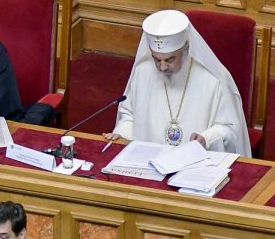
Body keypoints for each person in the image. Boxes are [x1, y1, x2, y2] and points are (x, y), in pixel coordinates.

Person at [104, 9, 251, 156]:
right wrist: (122, 134)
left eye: (170, 60)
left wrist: (207, 138)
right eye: (156, 59)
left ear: (186, 48)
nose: (162, 67)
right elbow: (128, 115)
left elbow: (230, 129)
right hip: (148, 160)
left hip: (195, 163)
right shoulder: (142, 71)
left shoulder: (214, 79)